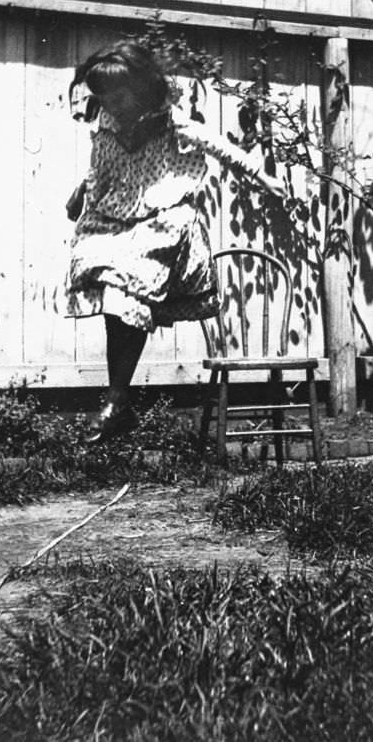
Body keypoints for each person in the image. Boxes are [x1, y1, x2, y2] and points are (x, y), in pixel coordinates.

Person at [64, 41, 286, 444]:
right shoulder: (106, 123)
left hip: (162, 218)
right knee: (113, 293)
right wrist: (81, 193)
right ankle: (119, 400)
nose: (111, 104)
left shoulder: (168, 121)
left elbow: (217, 146)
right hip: (119, 216)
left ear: (140, 89)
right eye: (104, 97)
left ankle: (116, 400)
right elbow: (101, 169)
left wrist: (261, 175)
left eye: (118, 96)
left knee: (131, 289)